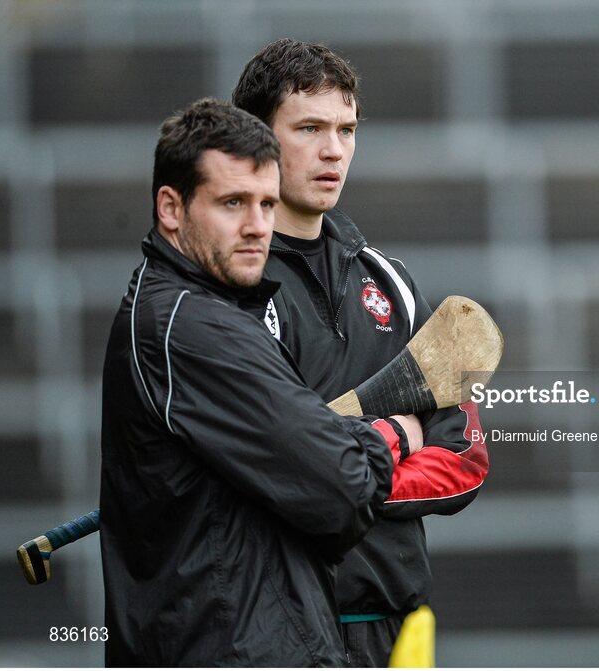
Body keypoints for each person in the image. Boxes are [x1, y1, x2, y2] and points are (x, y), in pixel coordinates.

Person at [99, 99, 419, 666]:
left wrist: (337, 438)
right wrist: (393, 434)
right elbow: (341, 489)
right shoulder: (194, 326)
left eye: (267, 204)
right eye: (232, 204)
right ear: (170, 208)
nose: (257, 227)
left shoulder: (206, 309)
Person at [231, 39, 489, 666]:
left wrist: (350, 478)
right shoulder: (228, 290)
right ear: (256, 140)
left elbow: (465, 454)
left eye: (346, 129)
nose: (334, 151)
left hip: (396, 624)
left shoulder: (391, 281)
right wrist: (395, 439)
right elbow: (280, 472)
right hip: (275, 626)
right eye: (310, 128)